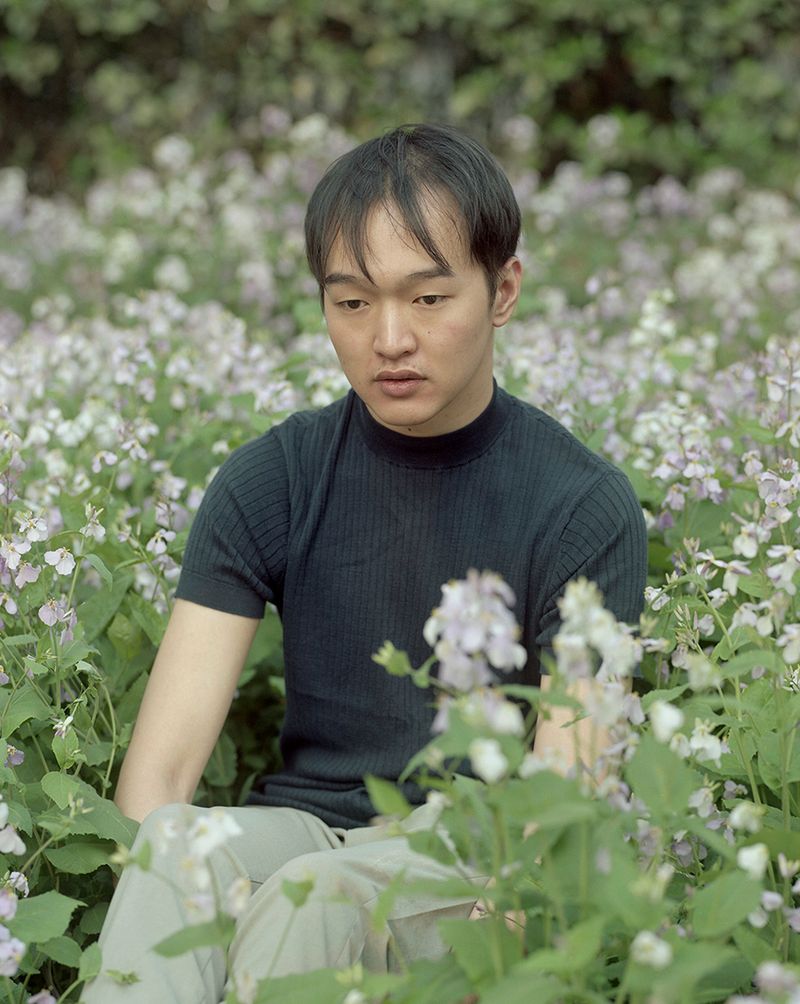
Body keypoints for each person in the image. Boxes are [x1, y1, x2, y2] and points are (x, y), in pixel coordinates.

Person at [83, 123, 647, 1003]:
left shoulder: (582, 505)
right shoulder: (275, 476)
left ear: (504, 292)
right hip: (306, 831)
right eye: (352, 303)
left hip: (468, 856)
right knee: (171, 850)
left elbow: (561, 821)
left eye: (427, 299)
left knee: (312, 903)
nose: (389, 338)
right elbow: (156, 783)